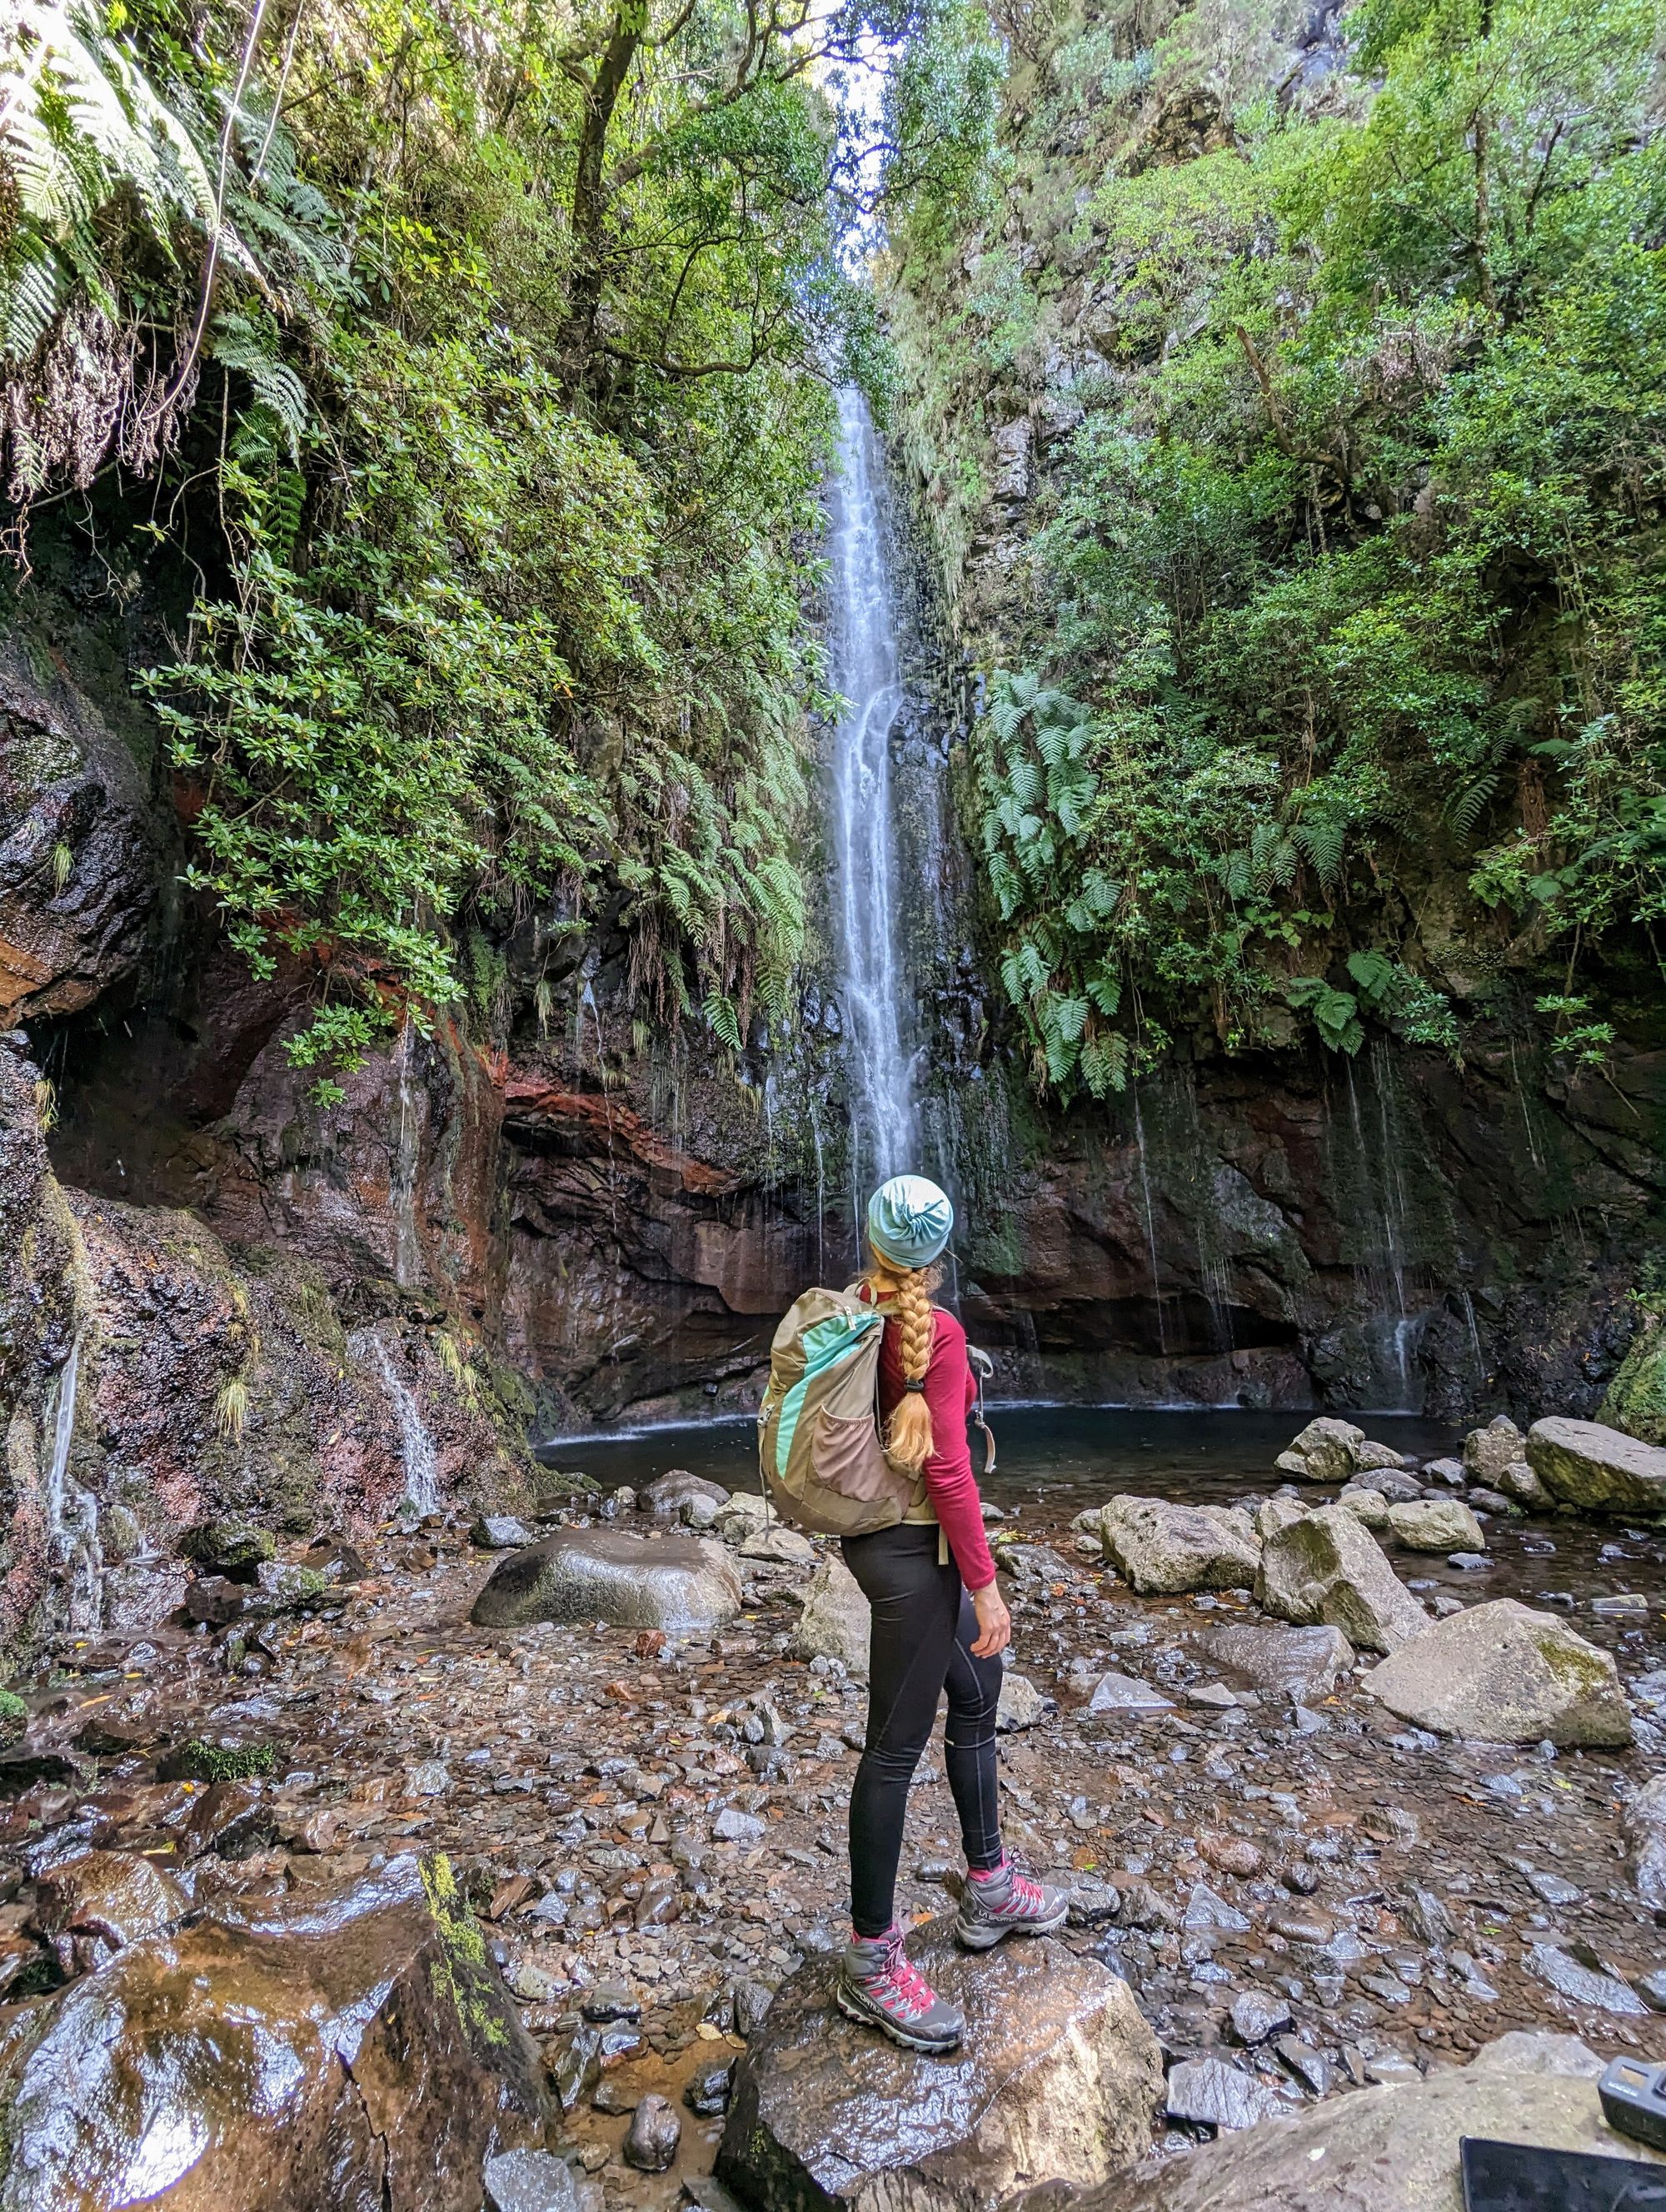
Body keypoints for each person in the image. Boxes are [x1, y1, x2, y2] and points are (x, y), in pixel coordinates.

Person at [836, 1172, 1066, 2052]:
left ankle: (989, 1885)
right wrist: (985, 1581)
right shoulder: (933, 1330)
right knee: (892, 1748)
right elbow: (945, 1469)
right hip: (910, 1555)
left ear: (873, 1243)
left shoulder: (851, 1307)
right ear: (937, 1254)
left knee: (976, 1690)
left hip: (881, 1539)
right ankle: (869, 1959)